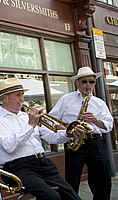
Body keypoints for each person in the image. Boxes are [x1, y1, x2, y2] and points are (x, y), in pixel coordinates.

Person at [0, 78, 85, 200]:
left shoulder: (26, 116)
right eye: (17, 95)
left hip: (43, 163)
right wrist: (31, 125)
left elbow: (51, 137)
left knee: (72, 196)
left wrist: (68, 133)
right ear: (5, 97)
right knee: (52, 197)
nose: (22, 99)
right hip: (18, 168)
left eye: (22, 95)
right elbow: (9, 146)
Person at [49, 67, 113, 199]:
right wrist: (68, 130)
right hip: (75, 141)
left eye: (92, 81)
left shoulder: (99, 103)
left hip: (95, 142)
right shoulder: (66, 99)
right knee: (72, 180)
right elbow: (51, 121)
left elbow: (109, 125)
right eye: (84, 81)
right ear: (77, 82)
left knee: (102, 179)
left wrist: (96, 120)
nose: (88, 85)